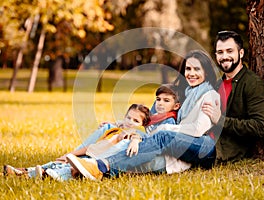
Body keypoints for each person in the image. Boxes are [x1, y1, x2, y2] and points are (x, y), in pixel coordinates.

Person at [66, 49, 221, 180]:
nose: (191, 73)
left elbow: (197, 130)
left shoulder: (209, 95)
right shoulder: (185, 93)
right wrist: (123, 123)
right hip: (180, 142)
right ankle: (78, 165)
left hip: (204, 147)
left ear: (206, 72)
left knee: (161, 136)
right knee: (138, 143)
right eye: (188, 69)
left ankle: (102, 165)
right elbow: (153, 119)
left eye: (197, 69)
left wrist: (165, 128)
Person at [3, 103, 151, 180]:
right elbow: (120, 124)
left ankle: (41, 174)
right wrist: (112, 123)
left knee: (66, 167)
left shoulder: (135, 133)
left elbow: (136, 135)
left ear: (142, 124)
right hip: (91, 154)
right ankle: (23, 171)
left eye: (136, 120)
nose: (130, 122)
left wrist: (135, 141)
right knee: (60, 162)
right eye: (128, 118)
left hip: (97, 162)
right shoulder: (118, 128)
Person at [202, 30, 264, 162]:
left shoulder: (252, 83)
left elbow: (261, 127)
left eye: (229, 51)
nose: (224, 56)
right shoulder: (217, 85)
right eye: (220, 52)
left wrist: (220, 120)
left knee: (166, 138)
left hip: (220, 150)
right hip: (204, 139)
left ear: (241, 53)